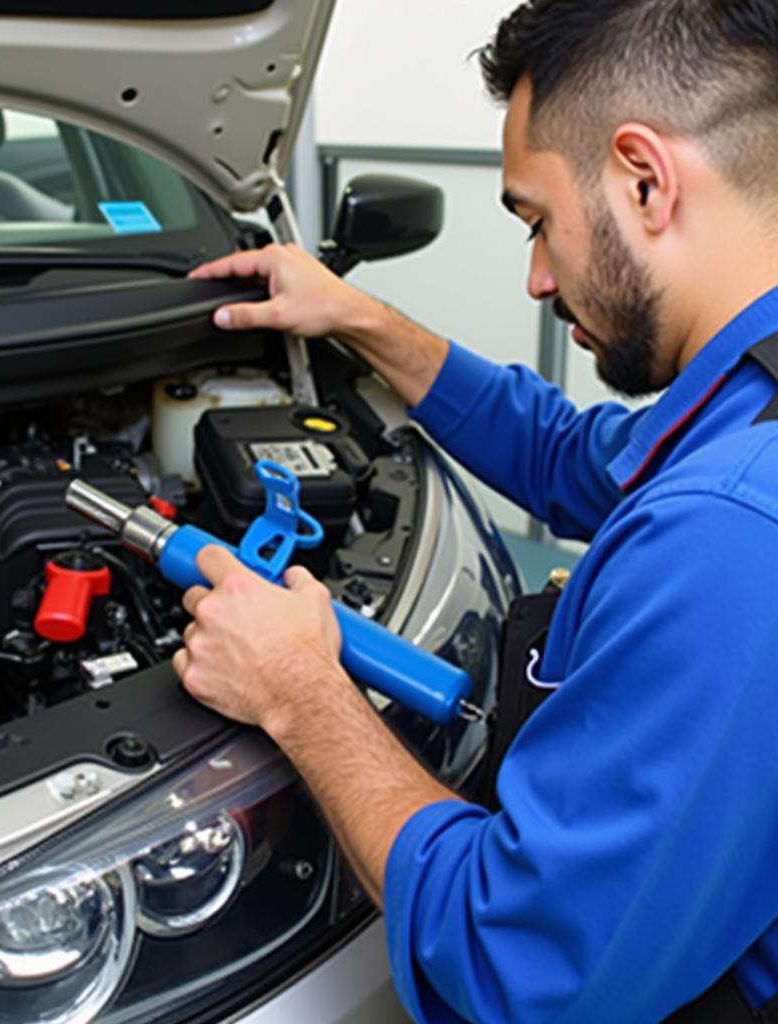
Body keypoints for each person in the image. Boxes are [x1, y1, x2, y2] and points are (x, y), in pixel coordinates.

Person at [173, 1, 778, 1021]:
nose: (536, 277)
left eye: (536, 220)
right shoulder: (742, 402)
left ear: (644, 179)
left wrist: (299, 692)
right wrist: (358, 317)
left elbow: (521, 975)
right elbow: (569, 457)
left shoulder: (729, 530)